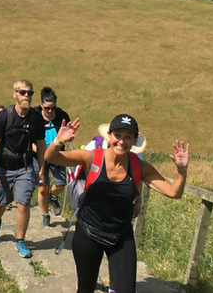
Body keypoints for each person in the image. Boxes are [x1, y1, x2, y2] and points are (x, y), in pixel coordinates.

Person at [44, 114, 189, 293]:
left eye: (128, 136)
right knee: (85, 289)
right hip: (88, 235)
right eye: (117, 134)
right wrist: (59, 139)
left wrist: (181, 170)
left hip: (121, 238)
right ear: (109, 136)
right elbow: (52, 157)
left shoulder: (140, 167)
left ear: (134, 140)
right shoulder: (92, 157)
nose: (121, 141)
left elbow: (174, 192)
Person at [0, 79, 46, 259]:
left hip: (26, 166)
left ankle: (20, 240)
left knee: (23, 203)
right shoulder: (4, 116)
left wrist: (41, 169)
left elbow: (41, 144)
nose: (26, 95)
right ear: (15, 94)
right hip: (4, 167)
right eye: (22, 92)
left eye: (29, 92)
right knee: (1, 202)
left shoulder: (36, 118)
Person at [32, 87, 71, 228]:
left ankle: (53, 198)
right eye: (47, 108)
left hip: (57, 154)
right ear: (41, 105)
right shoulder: (34, 116)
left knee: (60, 184)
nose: (50, 111)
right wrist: (39, 152)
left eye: (53, 108)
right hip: (40, 156)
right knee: (43, 187)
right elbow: (30, 139)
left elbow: (67, 133)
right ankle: (45, 214)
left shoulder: (62, 116)